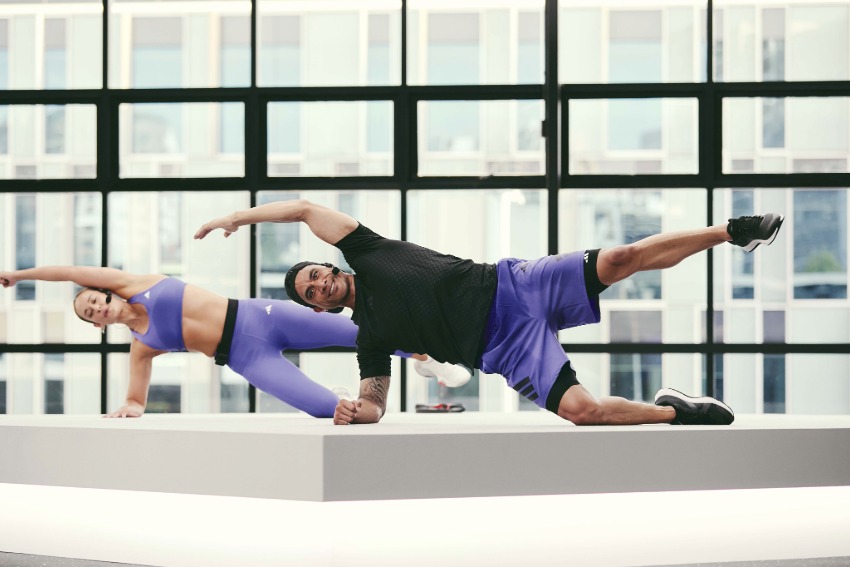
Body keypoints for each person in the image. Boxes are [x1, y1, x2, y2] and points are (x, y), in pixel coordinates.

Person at [194, 200, 784, 427]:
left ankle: (730, 231)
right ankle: (675, 413)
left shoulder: (365, 250)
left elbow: (301, 209)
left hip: (512, 287)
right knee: (582, 411)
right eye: (309, 292)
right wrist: (357, 410)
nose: (318, 284)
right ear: (314, 304)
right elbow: (374, 401)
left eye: (314, 274)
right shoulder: (369, 336)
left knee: (623, 257)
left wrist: (237, 220)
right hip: (502, 350)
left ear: (328, 266)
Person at [0, 266, 471, 418]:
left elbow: (66, 272)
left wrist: (19, 276)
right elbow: (135, 398)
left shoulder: (136, 281)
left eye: (94, 300)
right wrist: (129, 408)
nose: (96, 307)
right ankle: (352, 400)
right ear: (97, 325)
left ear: (105, 293)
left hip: (261, 315)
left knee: (361, 332)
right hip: (245, 355)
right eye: (88, 314)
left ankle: (425, 357)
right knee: (323, 410)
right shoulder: (142, 344)